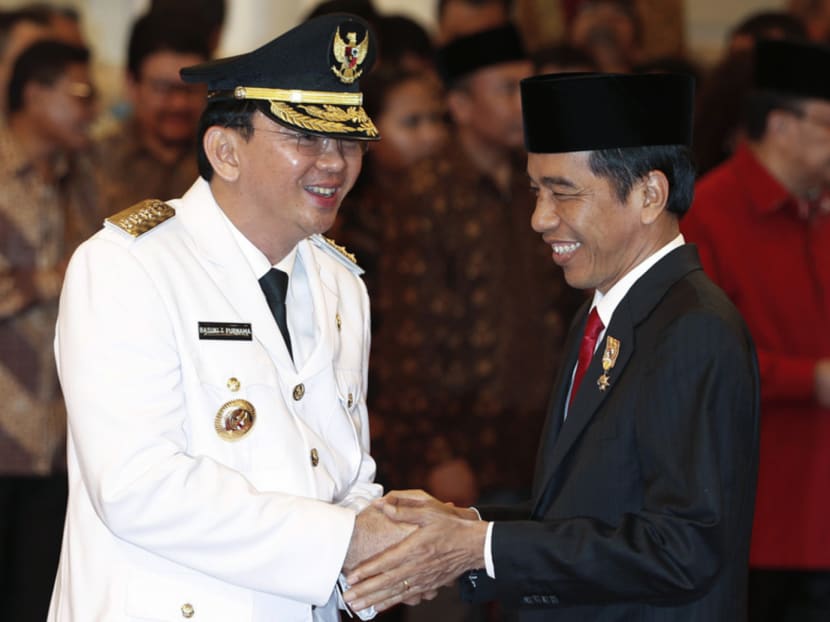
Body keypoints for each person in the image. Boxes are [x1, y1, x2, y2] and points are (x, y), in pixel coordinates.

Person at [343, 71, 761, 621]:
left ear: (649, 194)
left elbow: (682, 549)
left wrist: (481, 547)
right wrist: (462, 526)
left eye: (564, 193)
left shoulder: (693, 329)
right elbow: (584, 509)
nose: (540, 218)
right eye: (536, 191)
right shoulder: (603, 312)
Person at [48, 14, 416, 622]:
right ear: (225, 150)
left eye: (348, 141)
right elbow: (138, 488)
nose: (335, 163)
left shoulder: (341, 283)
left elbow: (343, 470)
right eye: (306, 138)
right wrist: (346, 542)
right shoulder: (127, 266)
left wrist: (388, 554)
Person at [682, 38, 830, 621]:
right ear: (780, 124)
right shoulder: (707, 213)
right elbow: (699, 360)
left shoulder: (819, 208)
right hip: (759, 509)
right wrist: (810, 380)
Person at [0, 39, 98, 622]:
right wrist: (46, 280)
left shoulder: (81, 178)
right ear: (34, 94)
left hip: (61, 442)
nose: (92, 109)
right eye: (79, 94)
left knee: (36, 601)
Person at [93, 10, 209, 213]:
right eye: (163, 88)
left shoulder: (226, 160)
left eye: (191, 89)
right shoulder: (94, 163)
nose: (179, 104)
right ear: (131, 85)